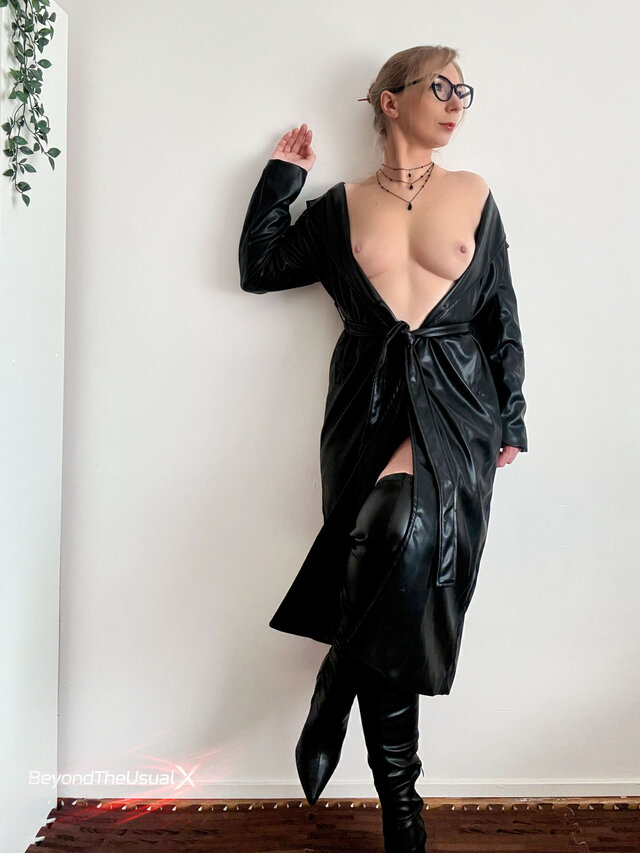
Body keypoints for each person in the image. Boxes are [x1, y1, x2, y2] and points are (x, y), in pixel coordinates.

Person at [238, 44, 528, 853]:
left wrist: (512, 416)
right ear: (391, 100)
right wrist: (280, 179)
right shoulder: (341, 207)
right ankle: (393, 788)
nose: (457, 100)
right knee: (387, 580)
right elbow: (259, 267)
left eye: (465, 89)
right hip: (364, 408)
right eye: (441, 85)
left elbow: (501, 315)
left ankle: (375, 756)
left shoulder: (473, 194)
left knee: (394, 534)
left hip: (458, 407)